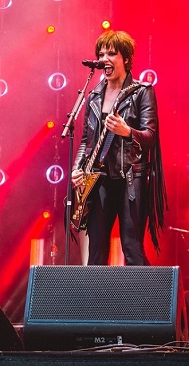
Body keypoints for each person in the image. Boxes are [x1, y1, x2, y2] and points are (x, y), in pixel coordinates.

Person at [70, 30, 167, 266]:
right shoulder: (93, 96)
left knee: (131, 248)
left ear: (125, 58)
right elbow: (86, 140)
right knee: (96, 252)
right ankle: (95, 303)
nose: (105, 58)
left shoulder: (142, 92)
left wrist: (127, 132)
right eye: (101, 54)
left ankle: (144, 302)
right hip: (99, 181)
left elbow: (150, 137)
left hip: (131, 179)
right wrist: (77, 168)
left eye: (111, 54)